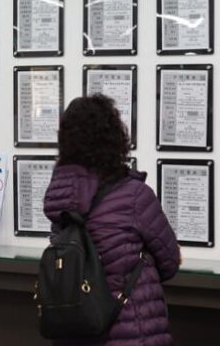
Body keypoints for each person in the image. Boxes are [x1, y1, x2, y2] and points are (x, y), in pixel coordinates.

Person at [43, 94, 181, 346]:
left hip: (75, 332)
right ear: (116, 138)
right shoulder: (134, 195)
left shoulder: (60, 197)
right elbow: (170, 263)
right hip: (132, 331)